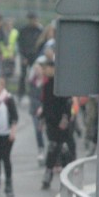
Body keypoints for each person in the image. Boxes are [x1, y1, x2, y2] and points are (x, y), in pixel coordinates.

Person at [40, 60, 75, 190]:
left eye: (48, 68)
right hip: (51, 121)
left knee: (64, 148)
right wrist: (42, 117)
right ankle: (48, 173)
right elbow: (46, 104)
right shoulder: (47, 84)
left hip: (62, 122)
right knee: (53, 147)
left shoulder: (61, 84)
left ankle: (66, 177)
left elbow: (67, 103)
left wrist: (65, 118)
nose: (45, 71)